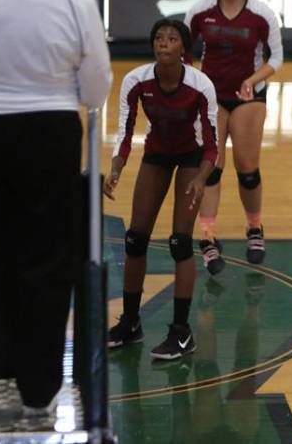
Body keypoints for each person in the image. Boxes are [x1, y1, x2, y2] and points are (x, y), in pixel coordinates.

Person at [0, 0, 112, 415]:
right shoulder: (77, 0)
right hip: (50, 137)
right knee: (45, 260)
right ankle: (38, 386)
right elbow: (95, 91)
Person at [104, 19, 218, 360]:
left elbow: (212, 145)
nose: (162, 43)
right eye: (158, 38)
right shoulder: (136, 80)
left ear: (183, 48)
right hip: (156, 154)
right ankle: (131, 323)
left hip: (191, 158)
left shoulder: (200, 85)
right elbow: (125, 132)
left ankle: (182, 333)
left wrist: (201, 178)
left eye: (171, 39)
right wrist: (116, 167)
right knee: (135, 239)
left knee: (180, 243)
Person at [184, 0, 282, 274]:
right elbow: (184, 50)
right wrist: (194, 82)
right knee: (210, 167)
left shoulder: (261, 14)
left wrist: (252, 82)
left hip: (248, 97)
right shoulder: (200, 11)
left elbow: (276, 59)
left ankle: (255, 228)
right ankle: (208, 237)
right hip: (212, 98)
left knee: (247, 169)